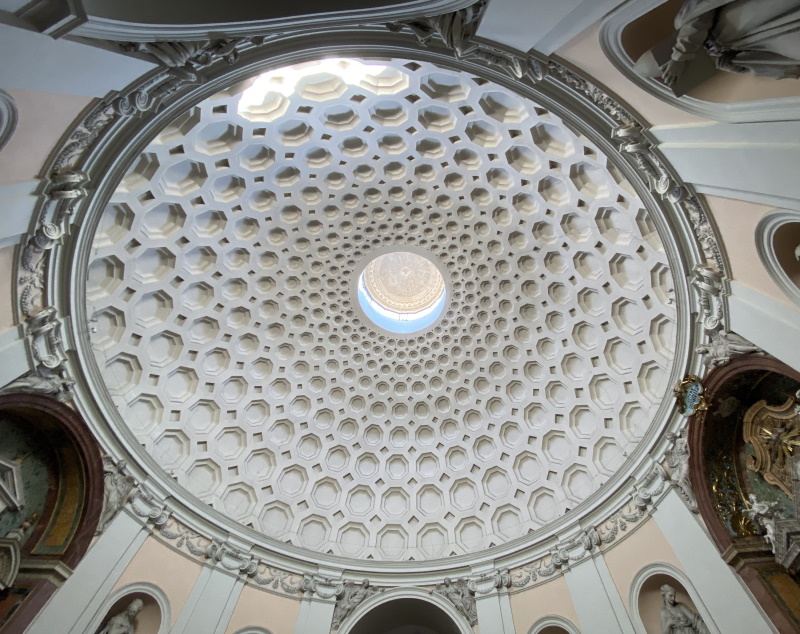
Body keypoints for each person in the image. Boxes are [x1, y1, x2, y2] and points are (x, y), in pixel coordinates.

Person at [636, 0, 800, 92]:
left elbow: (702, 11)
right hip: (763, 38)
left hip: (755, 13)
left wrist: (679, 56)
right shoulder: (714, 55)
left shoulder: (682, 23)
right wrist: (737, 66)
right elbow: (769, 63)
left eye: (666, 66)